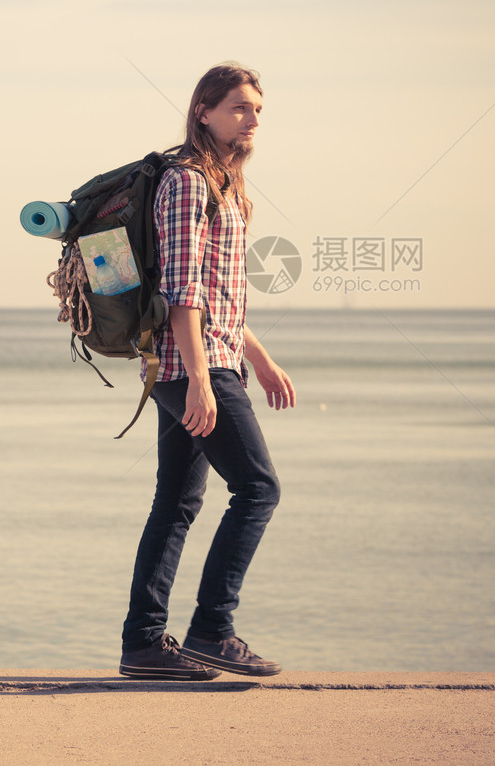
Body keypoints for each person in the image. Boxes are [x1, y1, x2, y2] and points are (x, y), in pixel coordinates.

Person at [119, 62, 295, 680]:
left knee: (176, 501)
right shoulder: (190, 183)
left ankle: (143, 645)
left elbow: (220, 295)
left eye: (256, 111)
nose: (251, 121)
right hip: (192, 365)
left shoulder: (227, 186)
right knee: (258, 489)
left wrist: (261, 358)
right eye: (239, 108)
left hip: (203, 358)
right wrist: (199, 378)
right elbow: (182, 290)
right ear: (204, 111)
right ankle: (212, 631)